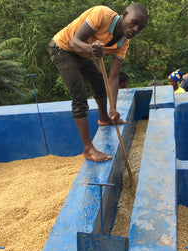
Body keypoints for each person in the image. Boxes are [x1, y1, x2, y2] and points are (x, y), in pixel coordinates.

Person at [49, 3, 148, 162]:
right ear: (124, 15)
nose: (135, 29)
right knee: (80, 95)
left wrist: (113, 109)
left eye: (140, 28)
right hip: (63, 48)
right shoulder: (102, 14)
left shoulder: (123, 43)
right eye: (134, 22)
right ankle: (88, 148)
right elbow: (75, 42)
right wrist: (91, 50)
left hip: (83, 53)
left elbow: (114, 77)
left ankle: (105, 118)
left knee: (100, 85)